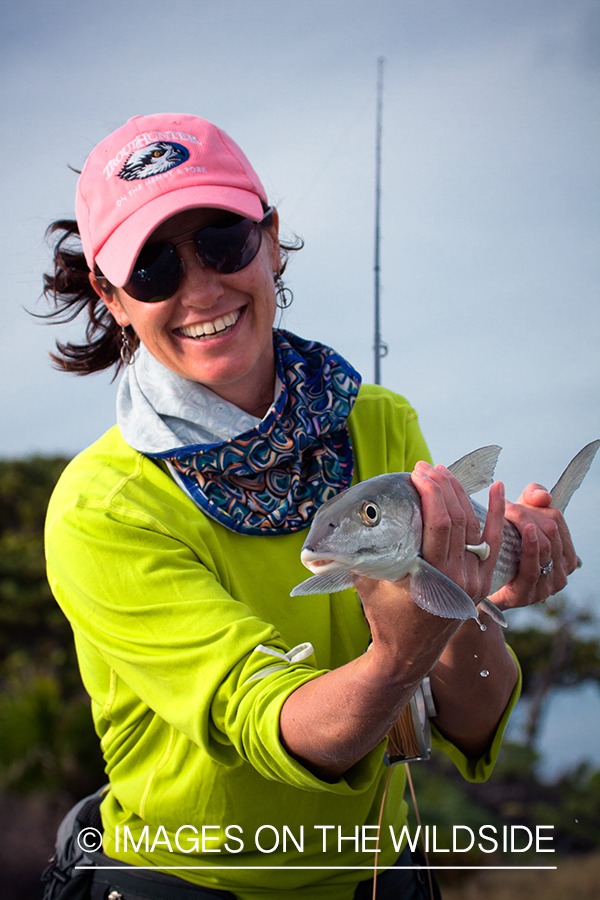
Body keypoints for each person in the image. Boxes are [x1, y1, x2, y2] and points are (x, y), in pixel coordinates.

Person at [43, 113, 578, 900]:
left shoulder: (380, 421)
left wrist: (469, 601)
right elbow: (273, 726)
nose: (201, 289)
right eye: (153, 269)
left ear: (271, 237)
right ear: (112, 296)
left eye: (223, 241)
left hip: (383, 875)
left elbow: (472, 720)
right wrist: (399, 657)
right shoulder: (104, 507)